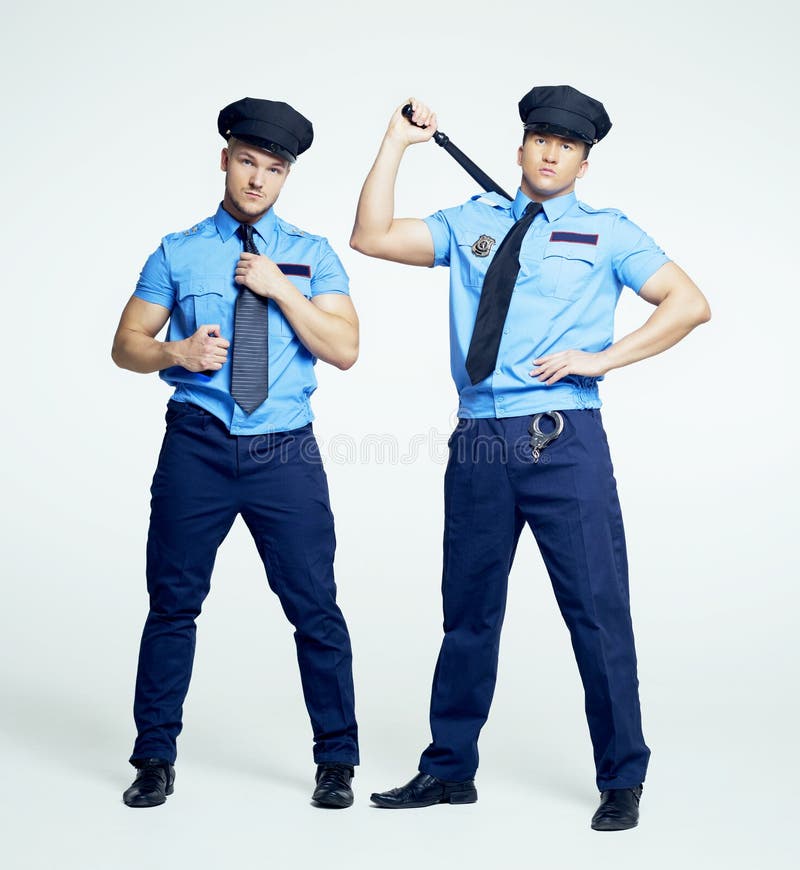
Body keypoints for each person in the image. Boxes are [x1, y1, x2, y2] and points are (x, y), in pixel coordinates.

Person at [350, 85, 710, 830]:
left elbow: (688, 303)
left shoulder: (607, 233)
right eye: (539, 137)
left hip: (562, 441)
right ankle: (449, 770)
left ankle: (622, 777)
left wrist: (603, 358)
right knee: (468, 616)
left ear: (585, 161)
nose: (550, 152)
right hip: (479, 442)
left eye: (567, 145)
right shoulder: (472, 223)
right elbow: (372, 236)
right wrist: (396, 144)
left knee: (598, 614)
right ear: (519, 147)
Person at [112, 97, 360, 809]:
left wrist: (281, 289)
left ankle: (336, 760)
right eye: (248, 161)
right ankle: (154, 757)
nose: (258, 179)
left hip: (284, 451)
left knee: (315, 606)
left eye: (273, 169)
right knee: (173, 602)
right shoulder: (178, 250)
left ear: (287, 177)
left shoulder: (311, 256)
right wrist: (173, 351)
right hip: (198, 445)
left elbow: (344, 349)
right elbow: (125, 344)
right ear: (226, 158)